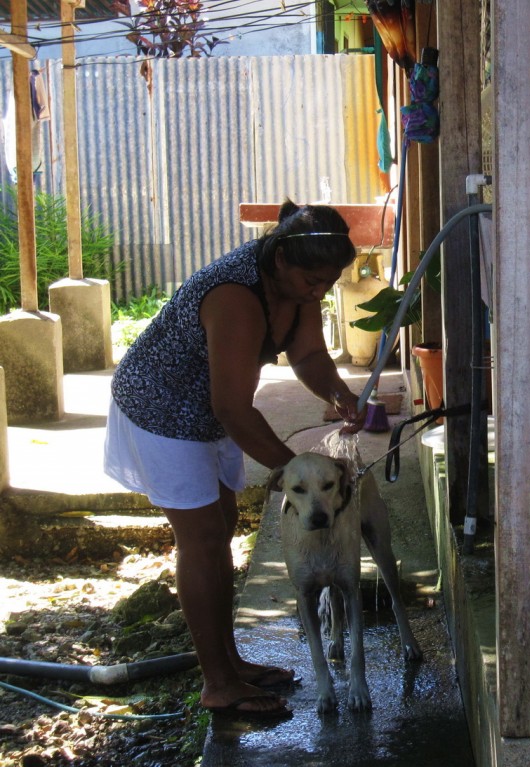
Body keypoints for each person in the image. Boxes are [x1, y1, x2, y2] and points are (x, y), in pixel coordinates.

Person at [104, 200, 365, 717]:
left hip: (210, 412)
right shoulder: (235, 296)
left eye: (328, 283)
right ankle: (218, 682)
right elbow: (233, 408)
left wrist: (338, 392)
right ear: (281, 260)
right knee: (201, 538)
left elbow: (309, 355)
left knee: (221, 526)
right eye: (313, 281)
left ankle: (230, 662)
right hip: (161, 409)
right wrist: (300, 472)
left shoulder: (296, 284)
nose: (319, 291)